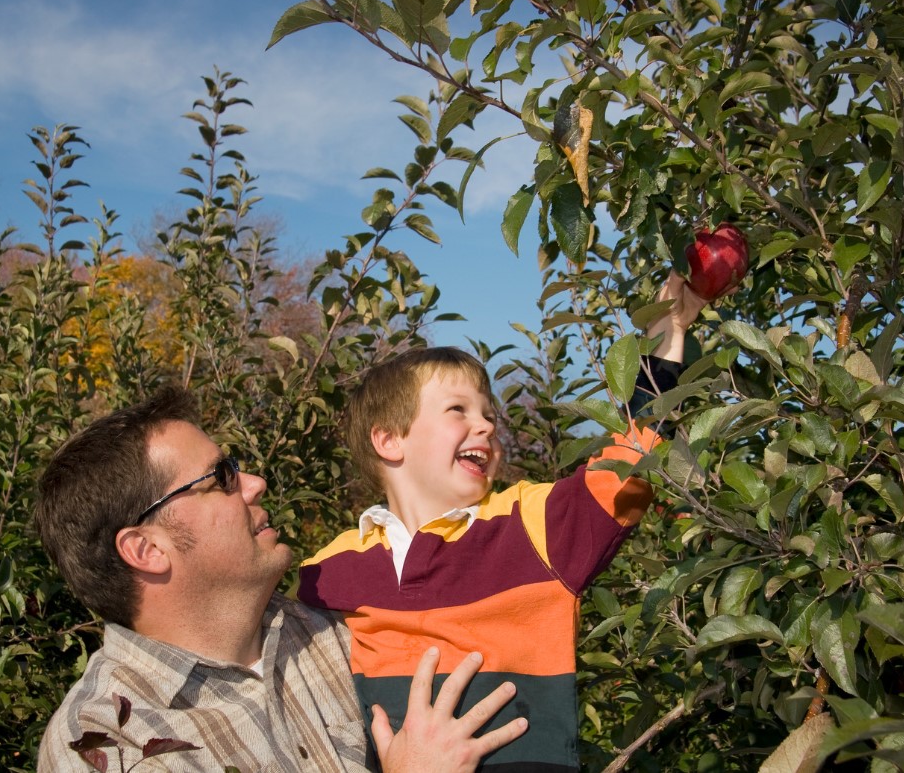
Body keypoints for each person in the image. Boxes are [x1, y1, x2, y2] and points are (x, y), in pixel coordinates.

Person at [297, 274, 708, 772]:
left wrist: (667, 339)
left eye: (490, 414)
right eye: (458, 410)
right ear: (389, 441)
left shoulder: (532, 525)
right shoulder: (327, 569)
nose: (488, 425)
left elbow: (631, 458)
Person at [34, 387, 528, 772]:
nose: (253, 483)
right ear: (147, 549)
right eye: (221, 477)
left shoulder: (340, 630)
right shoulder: (102, 744)